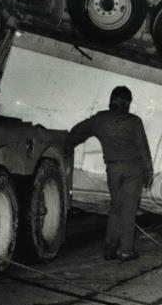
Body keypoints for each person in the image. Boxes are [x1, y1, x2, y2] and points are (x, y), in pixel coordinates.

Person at [66, 86, 153, 261]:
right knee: (129, 209)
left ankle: (109, 248)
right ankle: (126, 250)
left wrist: (68, 146)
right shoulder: (134, 121)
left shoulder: (100, 119)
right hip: (133, 170)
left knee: (115, 208)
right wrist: (148, 171)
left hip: (113, 169)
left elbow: (78, 131)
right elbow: (143, 148)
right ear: (128, 102)